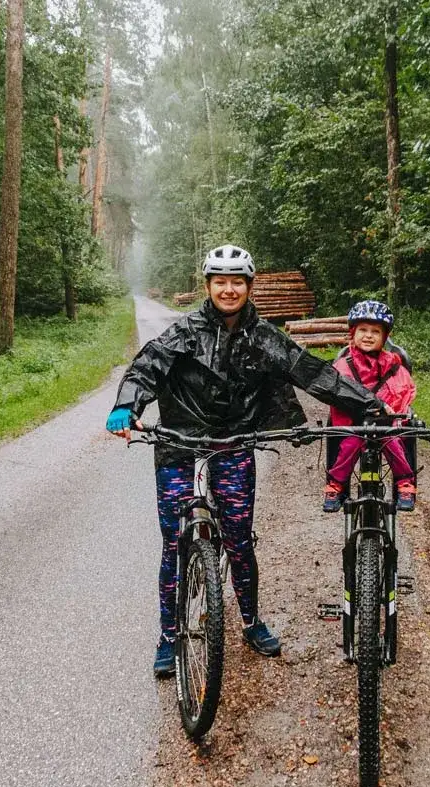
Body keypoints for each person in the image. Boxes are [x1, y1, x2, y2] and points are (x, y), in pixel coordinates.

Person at [106, 244, 384, 678]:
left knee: (238, 538)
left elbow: (314, 373)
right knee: (173, 543)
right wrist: (128, 405)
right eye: (221, 281)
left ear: (249, 287)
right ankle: (168, 634)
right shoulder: (185, 332)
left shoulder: (265, 338)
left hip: (233, 442)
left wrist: (368, 405)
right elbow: (146, 368)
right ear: (208, 286)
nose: (229, 289)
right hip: (179, 443)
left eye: (238, 281)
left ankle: (251, 622)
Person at [323, 300, 418, 513]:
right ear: (353, 333)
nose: (368, 335)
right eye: (363, 330)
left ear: (384, 337)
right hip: (354, 423)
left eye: (375, 331)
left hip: (384, 423)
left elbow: (401, 388)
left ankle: (404, 483)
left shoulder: (392, 363)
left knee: (393, 442)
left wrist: (393, 410)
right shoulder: (343, 364)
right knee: (349, 445)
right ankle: (336, 485)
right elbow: (338, 391)